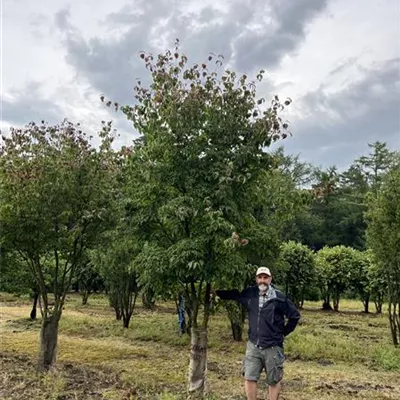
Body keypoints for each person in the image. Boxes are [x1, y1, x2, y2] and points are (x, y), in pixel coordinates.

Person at [216, 266, 300, 400]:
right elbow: (235, 295)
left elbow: (294, 316)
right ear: (256, 279)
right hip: (253, 345)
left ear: (270, 279)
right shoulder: (250, 294)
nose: (262, 281)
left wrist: (282, 332)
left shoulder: (279, 298)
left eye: (265, 278)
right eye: (260, 277)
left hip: (273, 347)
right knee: (249, 377)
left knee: (273, 380)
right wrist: (216, 293)